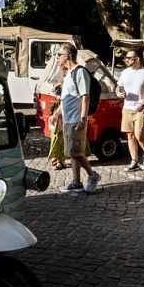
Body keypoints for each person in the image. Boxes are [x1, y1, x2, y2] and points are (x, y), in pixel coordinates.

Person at [49, 43, 101, 193]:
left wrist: (83, 119)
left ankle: (92, 175)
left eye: (58, 54)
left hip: (77, 120)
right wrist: (56, 114)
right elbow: (67, 100)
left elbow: (85, 97)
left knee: (76, 152)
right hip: (68, 119)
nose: (56, 58)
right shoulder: (69, 74)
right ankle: (76, 183)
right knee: (72, 152)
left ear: (67, 55)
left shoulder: (80, 72)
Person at [116, 49, 144, 171]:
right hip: (127, 107)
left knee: (139, 135)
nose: (126, 60)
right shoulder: (125, 72)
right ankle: (134, 161)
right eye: (126, 58)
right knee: (129, 135)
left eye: (129, 58)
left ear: (137, 59)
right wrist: (118, 93)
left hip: (140, 108)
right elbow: (118, 87)